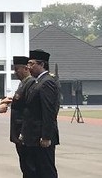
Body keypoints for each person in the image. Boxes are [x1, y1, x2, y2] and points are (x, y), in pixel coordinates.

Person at [22, 49, 60, 178]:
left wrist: (46, 136)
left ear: (42, 64)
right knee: (35, 170)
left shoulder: (47, 82)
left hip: (41, 137)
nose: (28, 67)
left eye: (32, 64)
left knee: (46, 170)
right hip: (33, 136)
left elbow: (49, 111)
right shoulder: (37, 82)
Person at [10, 56, 37, 178]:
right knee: (24, 164)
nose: (15, 72)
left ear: (26, 68)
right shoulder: (23, 84)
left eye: (17, 69)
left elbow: (27, 108)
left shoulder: (30, 83)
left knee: (29, 165)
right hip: (18, 129)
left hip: (24, 130)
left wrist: (23, 132)